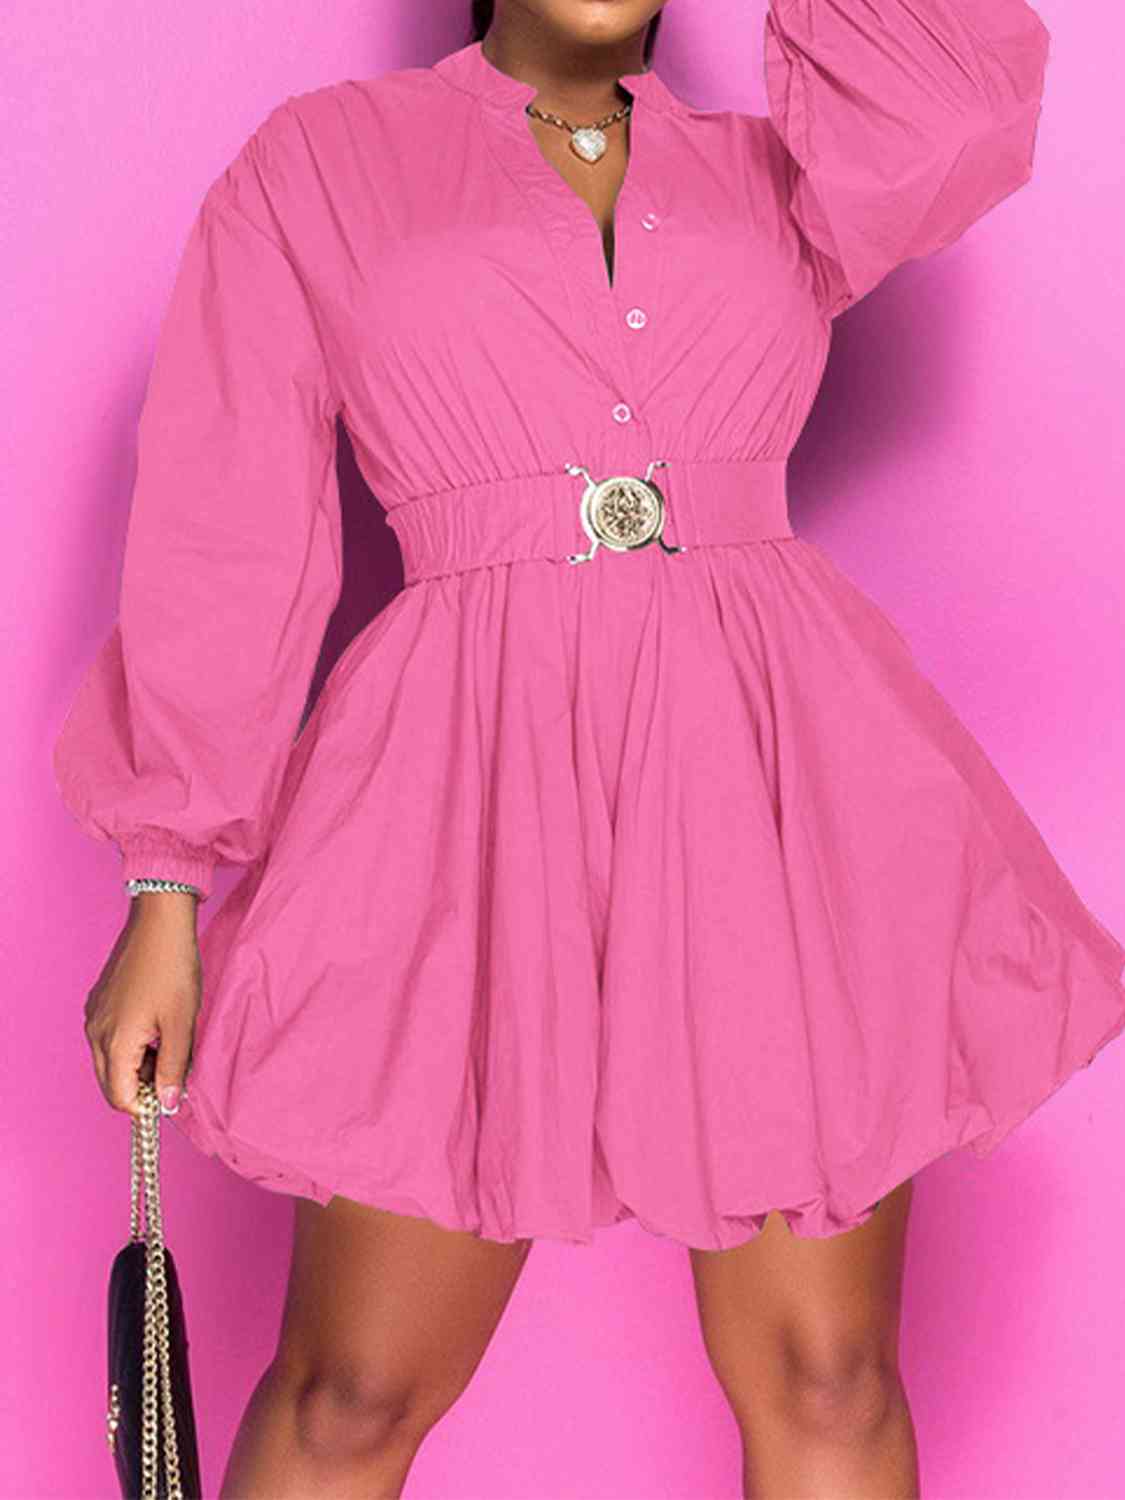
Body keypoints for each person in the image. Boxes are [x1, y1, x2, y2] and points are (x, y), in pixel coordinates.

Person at [53, 1, 1125, 1496]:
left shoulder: (785, 177)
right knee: (351, 1391)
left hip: (771, 787)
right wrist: (165, 880)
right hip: (462, 803)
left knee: (829, 1378)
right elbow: (223, 529)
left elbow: (960, 100)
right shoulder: (324, 162)